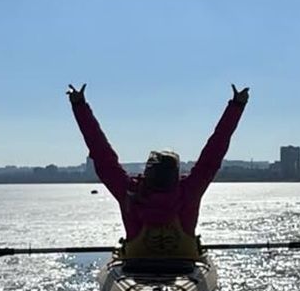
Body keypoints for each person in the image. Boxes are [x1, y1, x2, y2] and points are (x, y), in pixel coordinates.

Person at [67, 83, 249, 264]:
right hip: (184, 263)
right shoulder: (189, 191)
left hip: (136, 265)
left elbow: (101, 152)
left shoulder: (130, 192)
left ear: (147, 172)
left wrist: (79, 105)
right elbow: (215, 149)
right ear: (175, 174)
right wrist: (237, 106)